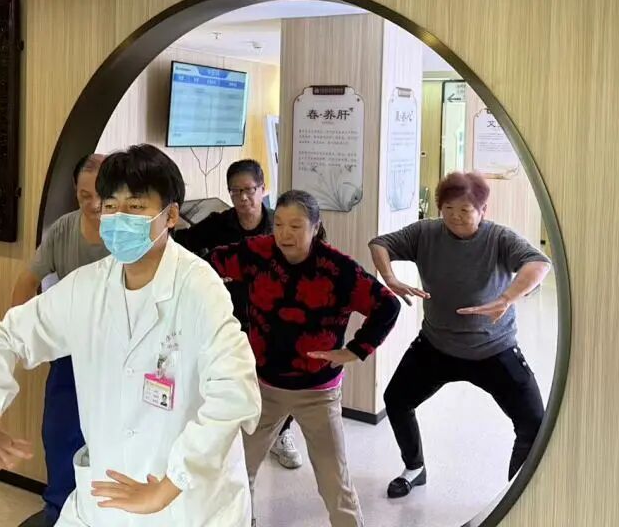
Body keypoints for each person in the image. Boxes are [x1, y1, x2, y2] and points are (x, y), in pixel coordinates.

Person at [0, 144, 262, 527]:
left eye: (136, 206)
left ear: (171, 215)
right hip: (106, 491)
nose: (120, 218)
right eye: (111, 205)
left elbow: (235, 393)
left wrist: (170, 484)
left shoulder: (198, 287)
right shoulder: (88, 287)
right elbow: (9, 336)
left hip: (186, 502)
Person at [210, 190, 401, 527]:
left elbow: (387, 305)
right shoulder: (257, 252)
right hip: (263, 387)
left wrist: (355, 350)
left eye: (296, 226)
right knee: (236, 471)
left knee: (334, 482)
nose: (285, 234)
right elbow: (208, 263)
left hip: (317, 393)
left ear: (315, 227)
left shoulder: (337, 269)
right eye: (279, 224)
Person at [369, 171, 551, 499]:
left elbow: (539, 263)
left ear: (483, 210)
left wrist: (506, 298)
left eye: (465, 210)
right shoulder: (426, 232)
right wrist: (390, 278)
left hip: (494, 349)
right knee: (396, 400)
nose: (455, 216)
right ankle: (414, 467)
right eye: (448, 208)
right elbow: (380, 243)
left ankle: (515, 497)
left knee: (533, 424)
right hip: (436, 346)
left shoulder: (499, 238)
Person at [175, 159, 303, 471]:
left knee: (277, 380)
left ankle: (281, 434)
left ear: (263, 189)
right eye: (235, 192)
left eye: (249, 190)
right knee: (227, 378)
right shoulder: (218, 225)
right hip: (228, 316)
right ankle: (228, 438)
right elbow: (182, 246)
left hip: (274, 318)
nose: (243, 198)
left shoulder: (278, 225)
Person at [9, 154, 110, 527]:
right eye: (85, 195)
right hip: (70, 352)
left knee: (107, 435)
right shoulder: (64, 230)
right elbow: (28, 279)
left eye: (101, 195)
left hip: (117, 355)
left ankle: (99, 513)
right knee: (60, 431)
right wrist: (20, 329)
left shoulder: (126, 231)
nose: (94, 204)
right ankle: (58, 509)